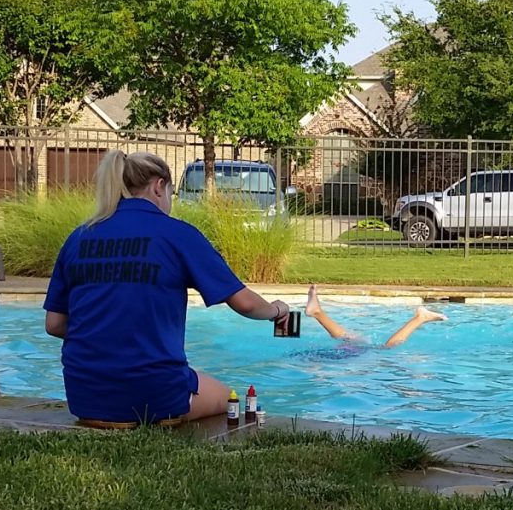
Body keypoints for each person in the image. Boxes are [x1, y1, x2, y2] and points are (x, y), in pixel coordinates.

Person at [43, 150, 291, 425]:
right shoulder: (177, 233)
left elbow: (54, 324)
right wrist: (277, 310)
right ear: (159, 186)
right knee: (228, 396)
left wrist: (109, 332)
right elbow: (245, 303)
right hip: (154, 393)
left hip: (86, 398)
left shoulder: (79, 237)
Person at [304, 284, 447, 348]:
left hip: (342, 359)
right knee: (387, 347)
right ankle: (420, 318)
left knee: (352, 338)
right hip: (350, 361)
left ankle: (317, 313)